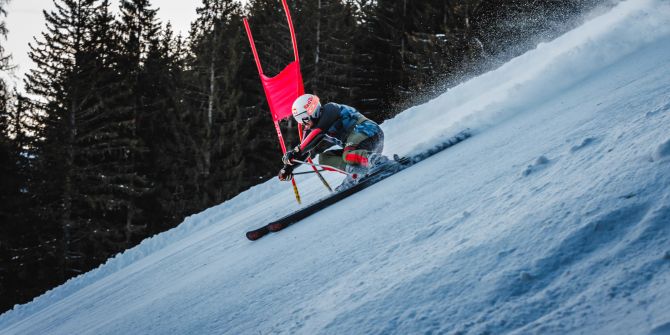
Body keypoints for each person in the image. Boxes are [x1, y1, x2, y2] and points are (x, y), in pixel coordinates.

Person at [278, 94, 387, 186]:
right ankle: (357, 172)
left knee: (347, 154)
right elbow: (305, 149)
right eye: (301, 121)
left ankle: (376, 160)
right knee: (323, 159)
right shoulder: (313, 128)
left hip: (369, 132)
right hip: (359, 150)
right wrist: (288, 168)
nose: (304, 124)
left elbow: (316, 134)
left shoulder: (330, 109)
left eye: (304, 119)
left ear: (312, 111)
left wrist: (296, 151)